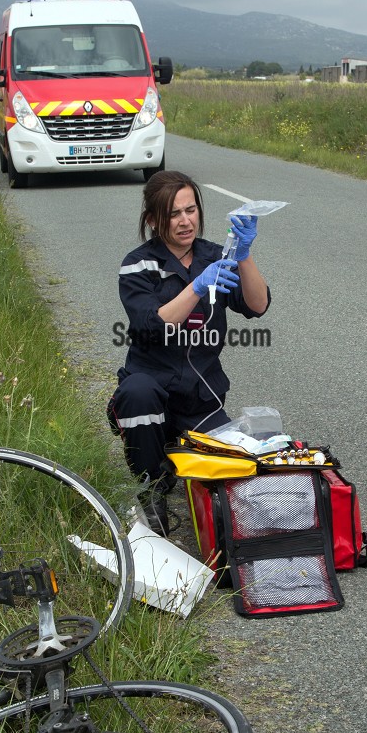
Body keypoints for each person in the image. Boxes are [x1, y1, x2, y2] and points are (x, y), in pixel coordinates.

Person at [108, 171, 271, 530]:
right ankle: (151, 489)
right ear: (153, 220)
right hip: (151, 391)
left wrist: (244, 256)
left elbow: (258, 306)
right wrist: (198, 285)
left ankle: (172, 454)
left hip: (200, 395)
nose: (185, 221)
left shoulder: (217, 256)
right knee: (136, 394)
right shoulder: (138, 265)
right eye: (173, 214)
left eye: (191, 210)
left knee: (229, 477)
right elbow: (154, 325)